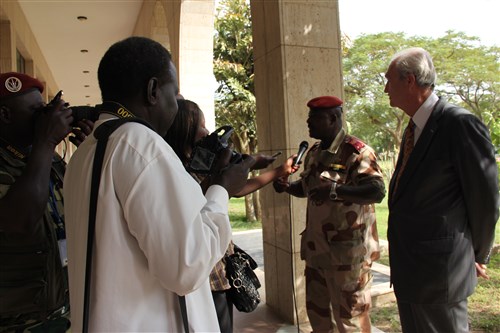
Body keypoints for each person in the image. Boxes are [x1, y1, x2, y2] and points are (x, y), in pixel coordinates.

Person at [63, 36, 255, 332]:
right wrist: (222, 189)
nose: (176, 105)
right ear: (153, 90)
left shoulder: (87, 150)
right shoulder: (141, 144)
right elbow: (186, 267)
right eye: (173, 94)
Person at [384, 47, 499, 332]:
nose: (385, 88)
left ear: (409, 80)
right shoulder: (414, 128)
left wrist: (476, 255)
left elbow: (485, 199)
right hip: (412, 272)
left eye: (388, 80)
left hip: (440, 275)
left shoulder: (459, 124)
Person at [165, 98, 298, 332]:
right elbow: (228, 189)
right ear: (185, 129)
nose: (208, 132)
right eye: (203, 126)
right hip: (207, 276)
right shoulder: (186, 172)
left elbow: (234, 189)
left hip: (216, 273)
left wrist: (277, 170)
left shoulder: (192, 165)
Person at [273, 96, 385, 333]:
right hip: (317, 252)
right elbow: (307, 189)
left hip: (347, 257)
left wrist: (335, 191)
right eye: (309, 116)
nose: (308, 122)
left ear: (333, 118)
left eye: (314, 117)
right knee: (319, 318)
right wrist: (286, 186)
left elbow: (376, 190)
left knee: (350, 321)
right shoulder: (314, 152)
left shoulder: (357, 152)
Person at [0, 72, 93, 332]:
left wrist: (88, 155)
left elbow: (81, 205)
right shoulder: (38, 155)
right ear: (5, 115)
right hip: (15, 321)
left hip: (62, 310)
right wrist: (45, 141)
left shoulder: (48, 161)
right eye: (35, 111)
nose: (45, 118)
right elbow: (20, 220)